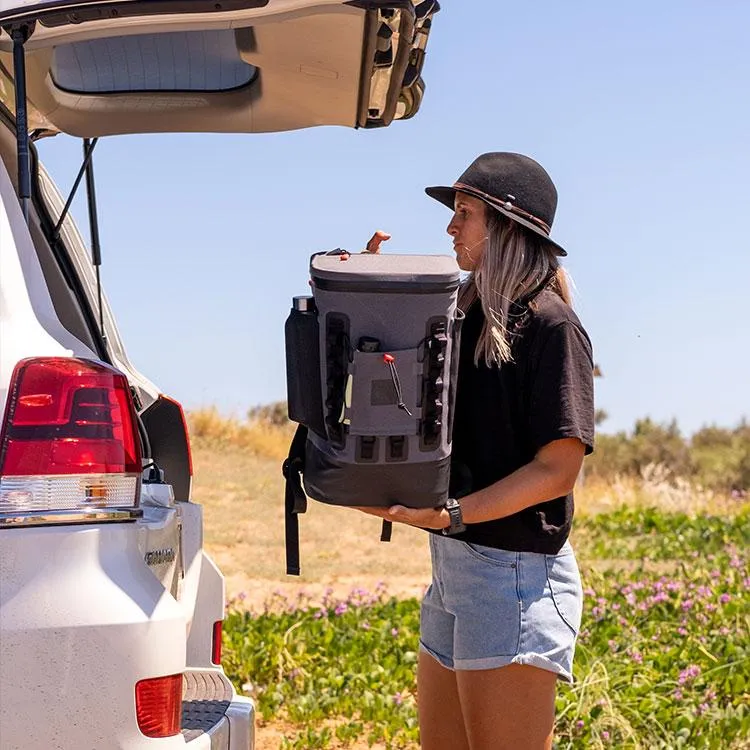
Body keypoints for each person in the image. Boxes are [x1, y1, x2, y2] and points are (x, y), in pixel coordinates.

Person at [358, 152, 595, 750]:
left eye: (464, 214)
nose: (450, 227)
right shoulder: (461, 316)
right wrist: (372, 290)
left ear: (507, 228)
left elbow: (558, 469)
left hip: (513, 577)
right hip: (455, 569)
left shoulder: (551, 327)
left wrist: (453, 513)